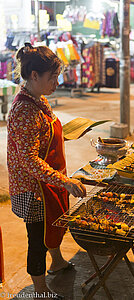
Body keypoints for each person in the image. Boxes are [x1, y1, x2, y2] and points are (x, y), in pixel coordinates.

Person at [7, 43, 86, 299]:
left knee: (51, 226)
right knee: (37, 240)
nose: (57, 82)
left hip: (46, 181)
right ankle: (40, 291)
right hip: (32, 189)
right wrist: (64, 181)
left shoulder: (38, 101)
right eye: (52, 77)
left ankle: (58, 262)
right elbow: (29, 160)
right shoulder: (24, 110)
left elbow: (43, 137)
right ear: (34, 76)